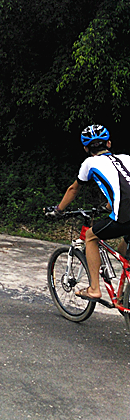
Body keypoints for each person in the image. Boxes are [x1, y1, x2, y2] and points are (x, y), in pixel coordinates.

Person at [46, 124, 130, 301]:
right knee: (123, 248)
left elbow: (73, 189)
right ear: (108, 143)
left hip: (126, 215)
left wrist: (58, 210)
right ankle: (126, 294)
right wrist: (108, 207)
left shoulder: (89, 163)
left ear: (86, 149)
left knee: (91, 237)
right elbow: (124, 186)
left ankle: (94, 289)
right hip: (125, 211)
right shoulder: (126, 158)